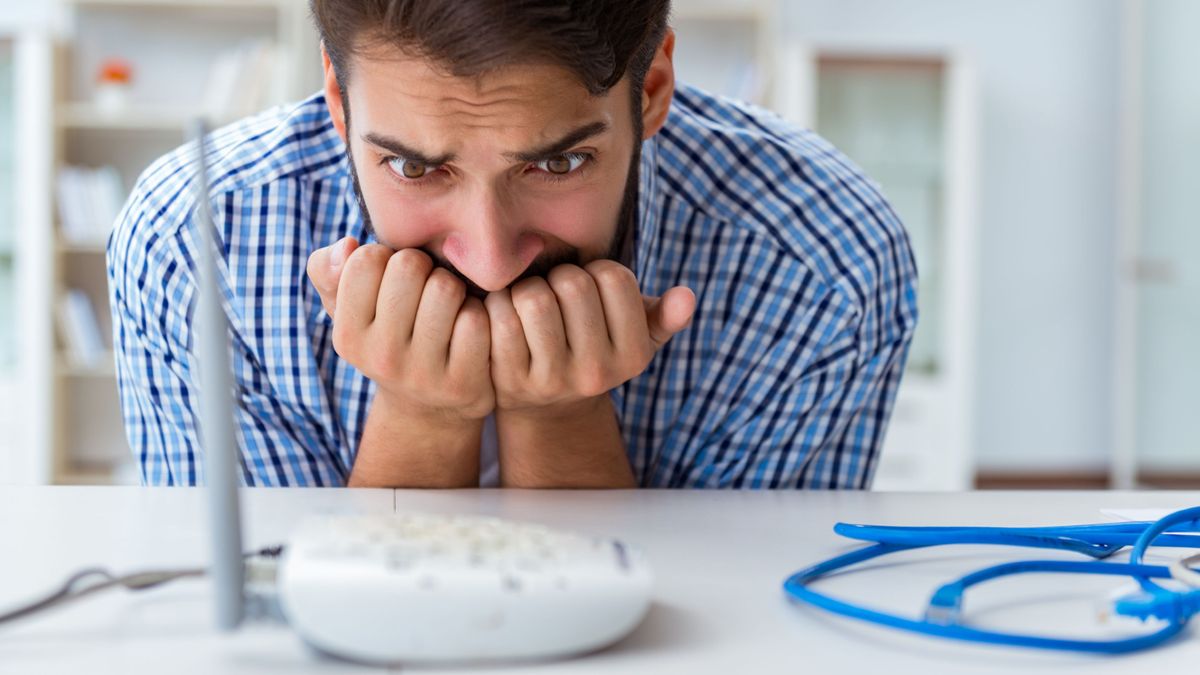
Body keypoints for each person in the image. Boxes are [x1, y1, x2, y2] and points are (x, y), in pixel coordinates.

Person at [107, 0, 918, 489]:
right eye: (414, 167)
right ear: (338, 102)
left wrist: (562, 422)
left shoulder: (826, 268)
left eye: (558, 161)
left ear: (652, 90)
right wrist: (420, 420)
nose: (489, 257)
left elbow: (745, 645)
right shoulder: (194, 243)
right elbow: (252, 645)